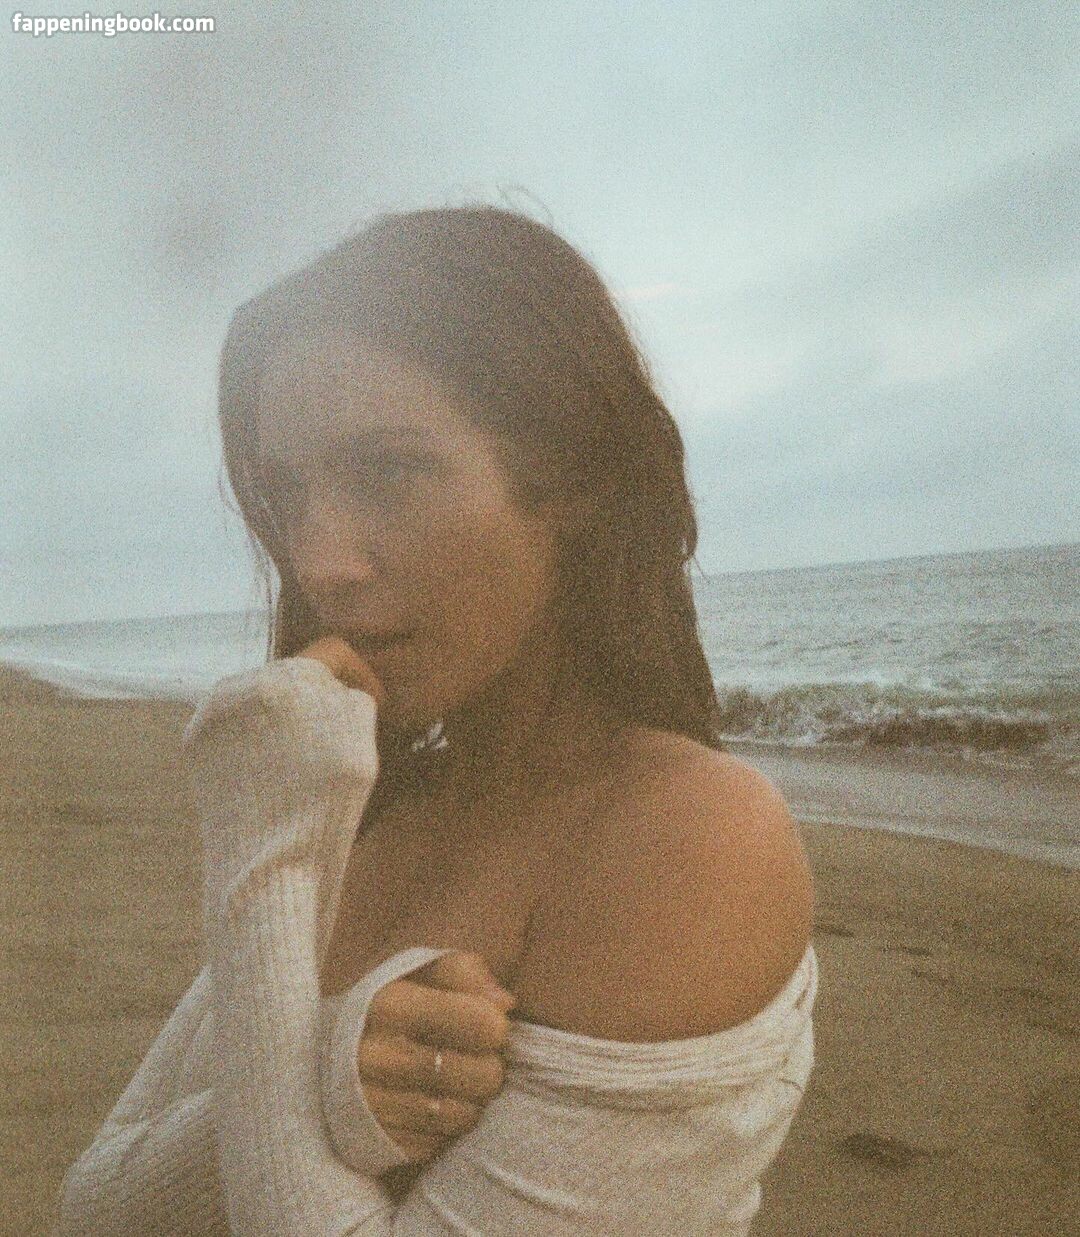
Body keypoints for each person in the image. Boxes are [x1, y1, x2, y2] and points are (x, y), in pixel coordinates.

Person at [55, 204, 816, 1234]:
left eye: (390, 471)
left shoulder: (691, 838)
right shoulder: (371, 808)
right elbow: (93, 1205)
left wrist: (264, 850)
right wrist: (331, 1074)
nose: (320, 560)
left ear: (572, 481)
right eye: (289, 494)